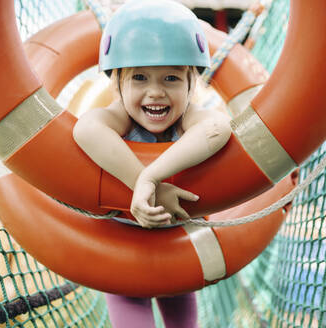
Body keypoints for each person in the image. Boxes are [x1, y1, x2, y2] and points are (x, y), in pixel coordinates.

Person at [73, 0, 231, 327]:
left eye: (171, 78)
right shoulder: (119, 116)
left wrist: (152, 176)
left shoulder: (189, 117)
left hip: (180, 250)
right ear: (117, 84)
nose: (155, 92)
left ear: (192, 83)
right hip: (121, 253)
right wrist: (143, 184)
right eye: (140, 78)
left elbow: (218, 128)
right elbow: (85, 129)